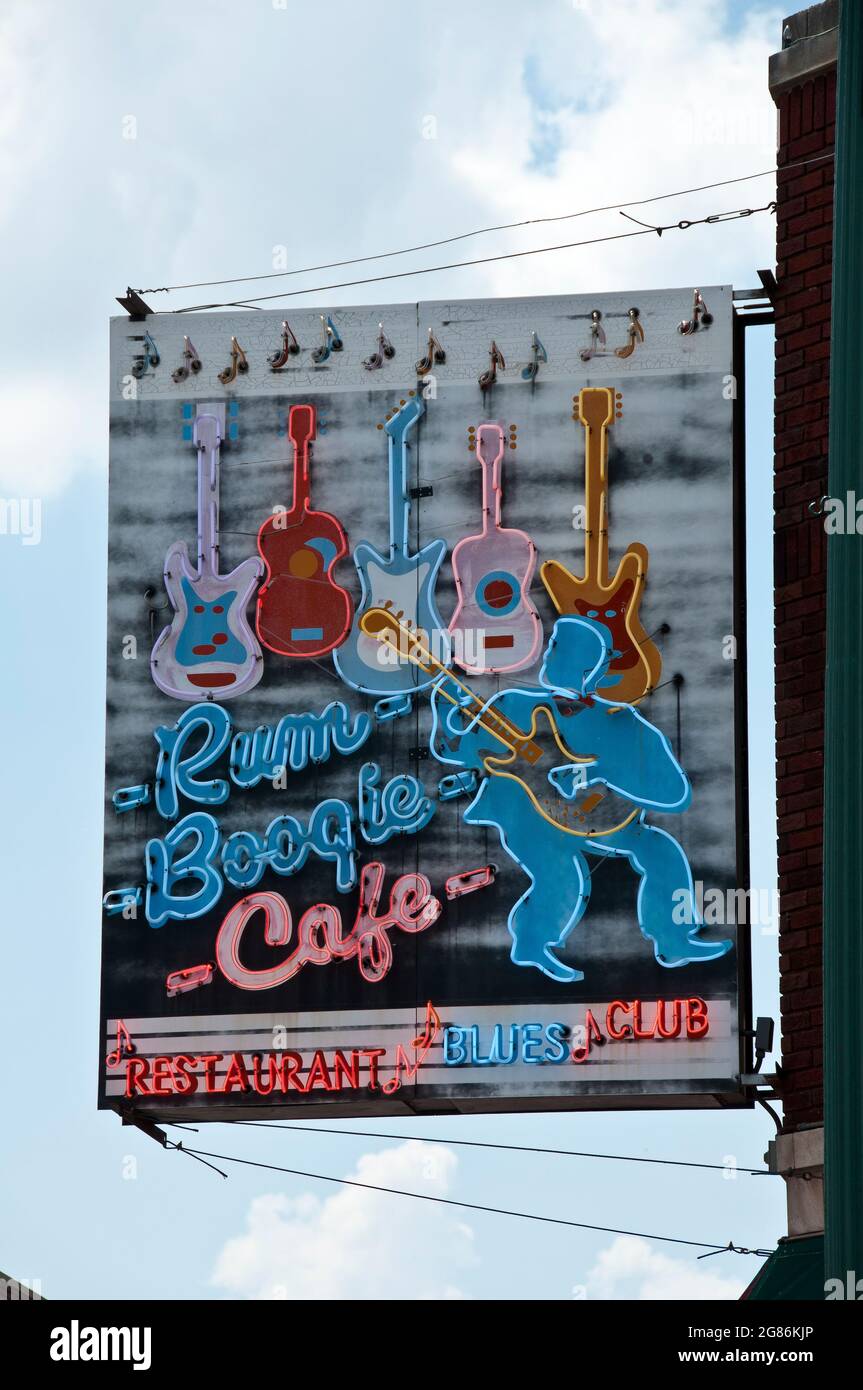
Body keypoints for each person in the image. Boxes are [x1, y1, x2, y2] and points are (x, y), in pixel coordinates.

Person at [430, 615, 733, 983]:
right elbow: (456, 749)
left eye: (556, 645)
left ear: (585, 665)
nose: (546, 653)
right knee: (562, 874)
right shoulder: (513, 705)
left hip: (602, 817)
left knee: (660, 851)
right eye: (552, 643)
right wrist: (446, 714)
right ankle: (531, 944)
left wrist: (597, 773)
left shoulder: (622, 722)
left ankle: (674, 939)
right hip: (531, 818)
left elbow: (675, 791)